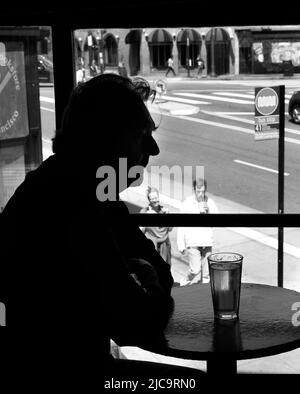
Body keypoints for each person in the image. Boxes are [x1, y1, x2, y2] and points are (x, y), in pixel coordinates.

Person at [0, 74, 205, 384]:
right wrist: (143, 275)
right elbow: (141, 320)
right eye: (141, 135)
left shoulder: (80, 190)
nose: (153, 149)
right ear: (107, 139)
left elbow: (160, 275)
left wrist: (141, 277)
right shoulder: (74, 203)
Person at [177, 177, 219, 286]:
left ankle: (204, 294)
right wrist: (181, 244)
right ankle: (183, 283)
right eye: (198, 191)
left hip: (206, 241)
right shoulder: (187, 203)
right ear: (194, 189)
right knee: (195, 270)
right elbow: (181, 224)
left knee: (206, 274)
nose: (200, 194)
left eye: (203, 191)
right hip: (193, 241)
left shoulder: (209, 202)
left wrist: (209, 212)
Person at [140, 186, 173, 265]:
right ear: (149, 200)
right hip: (151, 246)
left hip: (164, 246)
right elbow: (140, 231)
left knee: (164, 269)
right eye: (152, 199)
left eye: (156, 198)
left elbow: (170, 229)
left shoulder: (164, 210)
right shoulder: (144, 212)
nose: (155, 200)